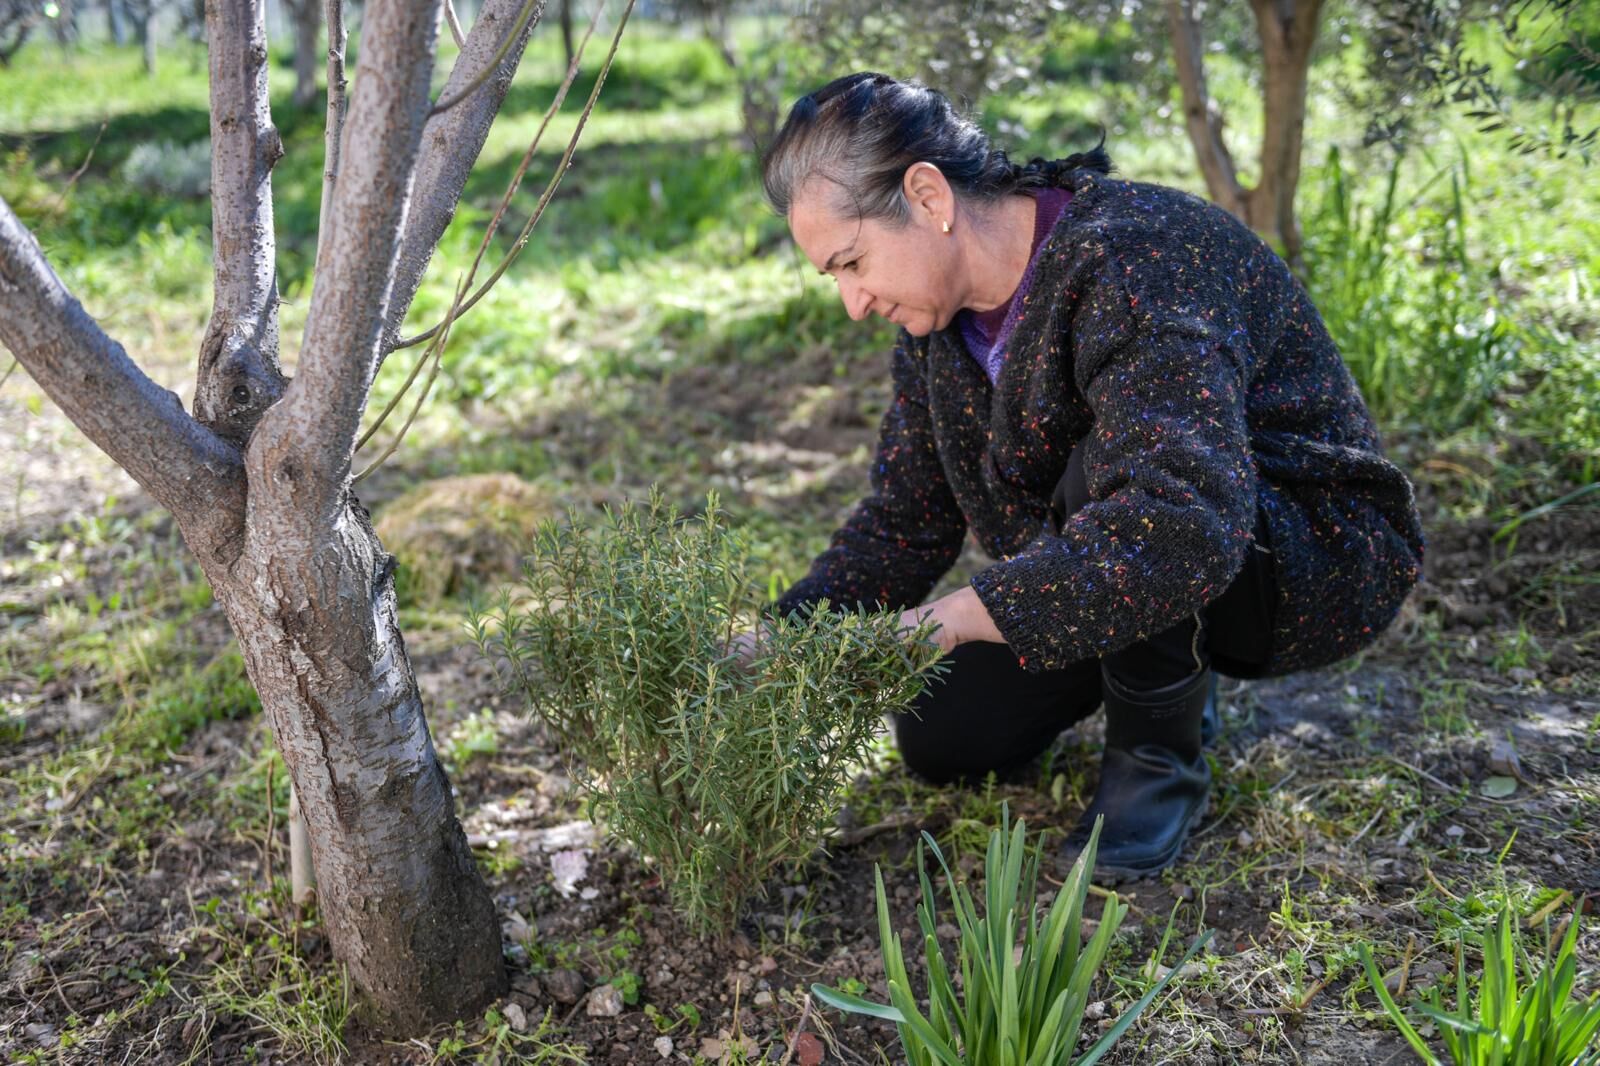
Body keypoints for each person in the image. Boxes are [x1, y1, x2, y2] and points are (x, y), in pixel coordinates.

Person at [755, 72, 1425, 880]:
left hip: (1299, 549)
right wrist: (780, 639)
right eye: (834, 275)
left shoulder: (1136, 259)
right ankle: (1161, 655)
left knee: (1121, 489)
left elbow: (1179, 519)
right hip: (1119, 550)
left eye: (852, 262)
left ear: (929, 197)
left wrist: (954, 618)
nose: (852, 303)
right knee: (945, 736)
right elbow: (906, 516)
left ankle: (1157, 765)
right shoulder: (935, 334)